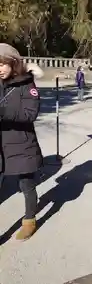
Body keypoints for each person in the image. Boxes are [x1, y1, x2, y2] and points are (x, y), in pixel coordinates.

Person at [0, 43, 44, 241]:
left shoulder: (27, 85)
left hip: (21, 144)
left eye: (3, 64)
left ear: (13, 64)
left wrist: (3, 113)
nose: (0, 68)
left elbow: (30, 114)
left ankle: (29, 221)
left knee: (27, 186)